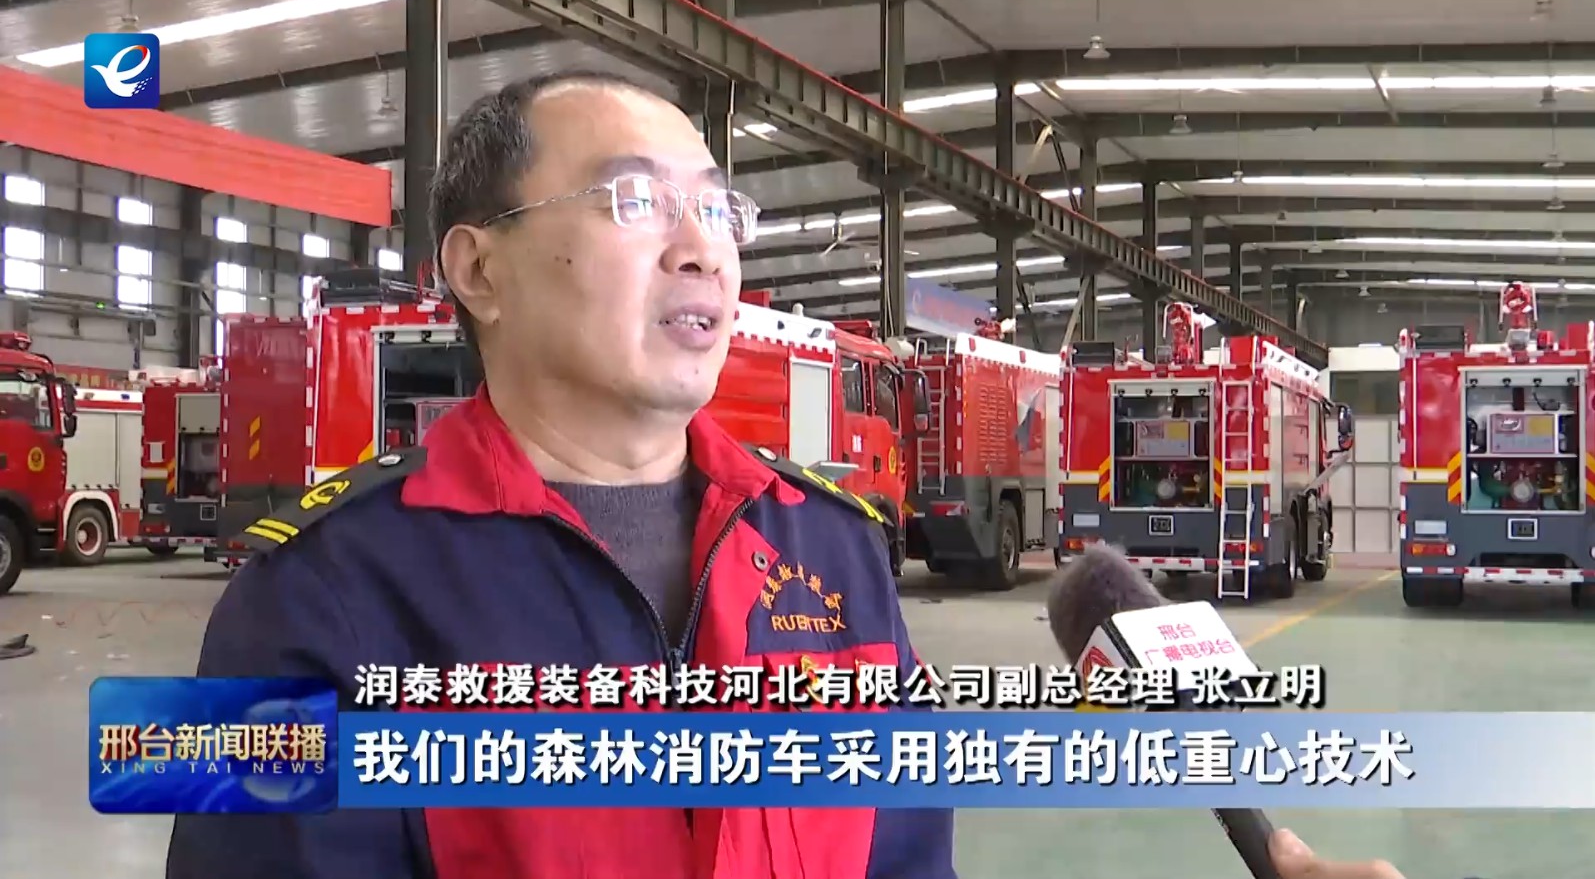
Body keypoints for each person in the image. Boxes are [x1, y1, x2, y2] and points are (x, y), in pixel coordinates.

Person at [166, 70, 1409, 879]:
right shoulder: (310, 603)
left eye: (719, 212)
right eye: (634, 201)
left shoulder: (830, 548)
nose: (703, 249)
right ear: (478, 269)